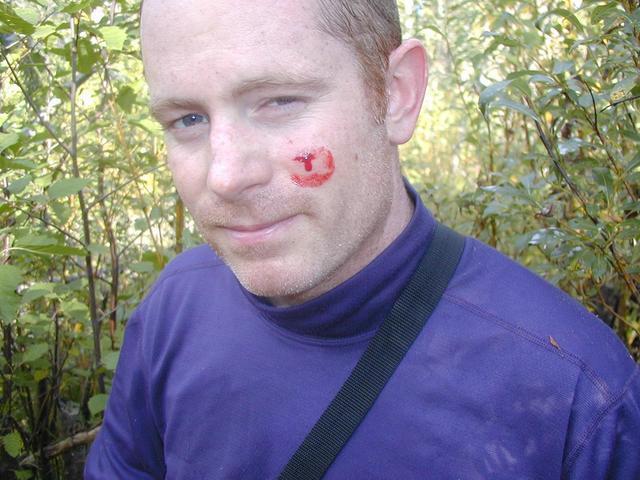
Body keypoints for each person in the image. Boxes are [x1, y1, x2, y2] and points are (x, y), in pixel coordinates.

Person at [85, 0, 640, 478]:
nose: (225, 175)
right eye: (187, 119)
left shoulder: (577, 397)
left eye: (279, 101)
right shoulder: (174, 309)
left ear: (396, 94)